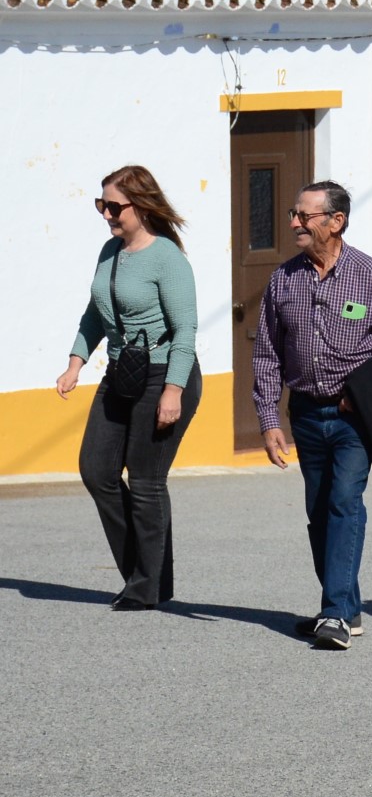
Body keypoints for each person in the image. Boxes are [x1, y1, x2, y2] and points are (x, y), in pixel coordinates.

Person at [254, 181, 372, 650]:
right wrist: (268, 420)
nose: (293, 224)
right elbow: (266, 354)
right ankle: (347, 607)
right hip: (305, 414)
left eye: (303, 216)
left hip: (352, 421)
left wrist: (366, 395)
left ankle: (333, 613)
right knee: (318, 511)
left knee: (345, 502)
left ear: (335, 221)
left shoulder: (369, 275)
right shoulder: (283, 280)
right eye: (293, 214)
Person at [56, 166, 203, 612]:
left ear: (140, 205)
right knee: (96, 471)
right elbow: (95, 314)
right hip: (121, 373)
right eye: (102, 205)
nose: (107, 214)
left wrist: (173, 390)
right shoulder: (110, 251)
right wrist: (74, 363)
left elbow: (185, 330)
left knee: (145, 481)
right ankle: (146, 571)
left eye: (114, 206)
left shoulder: (168, 259)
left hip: (163, 376)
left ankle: (146, 585)